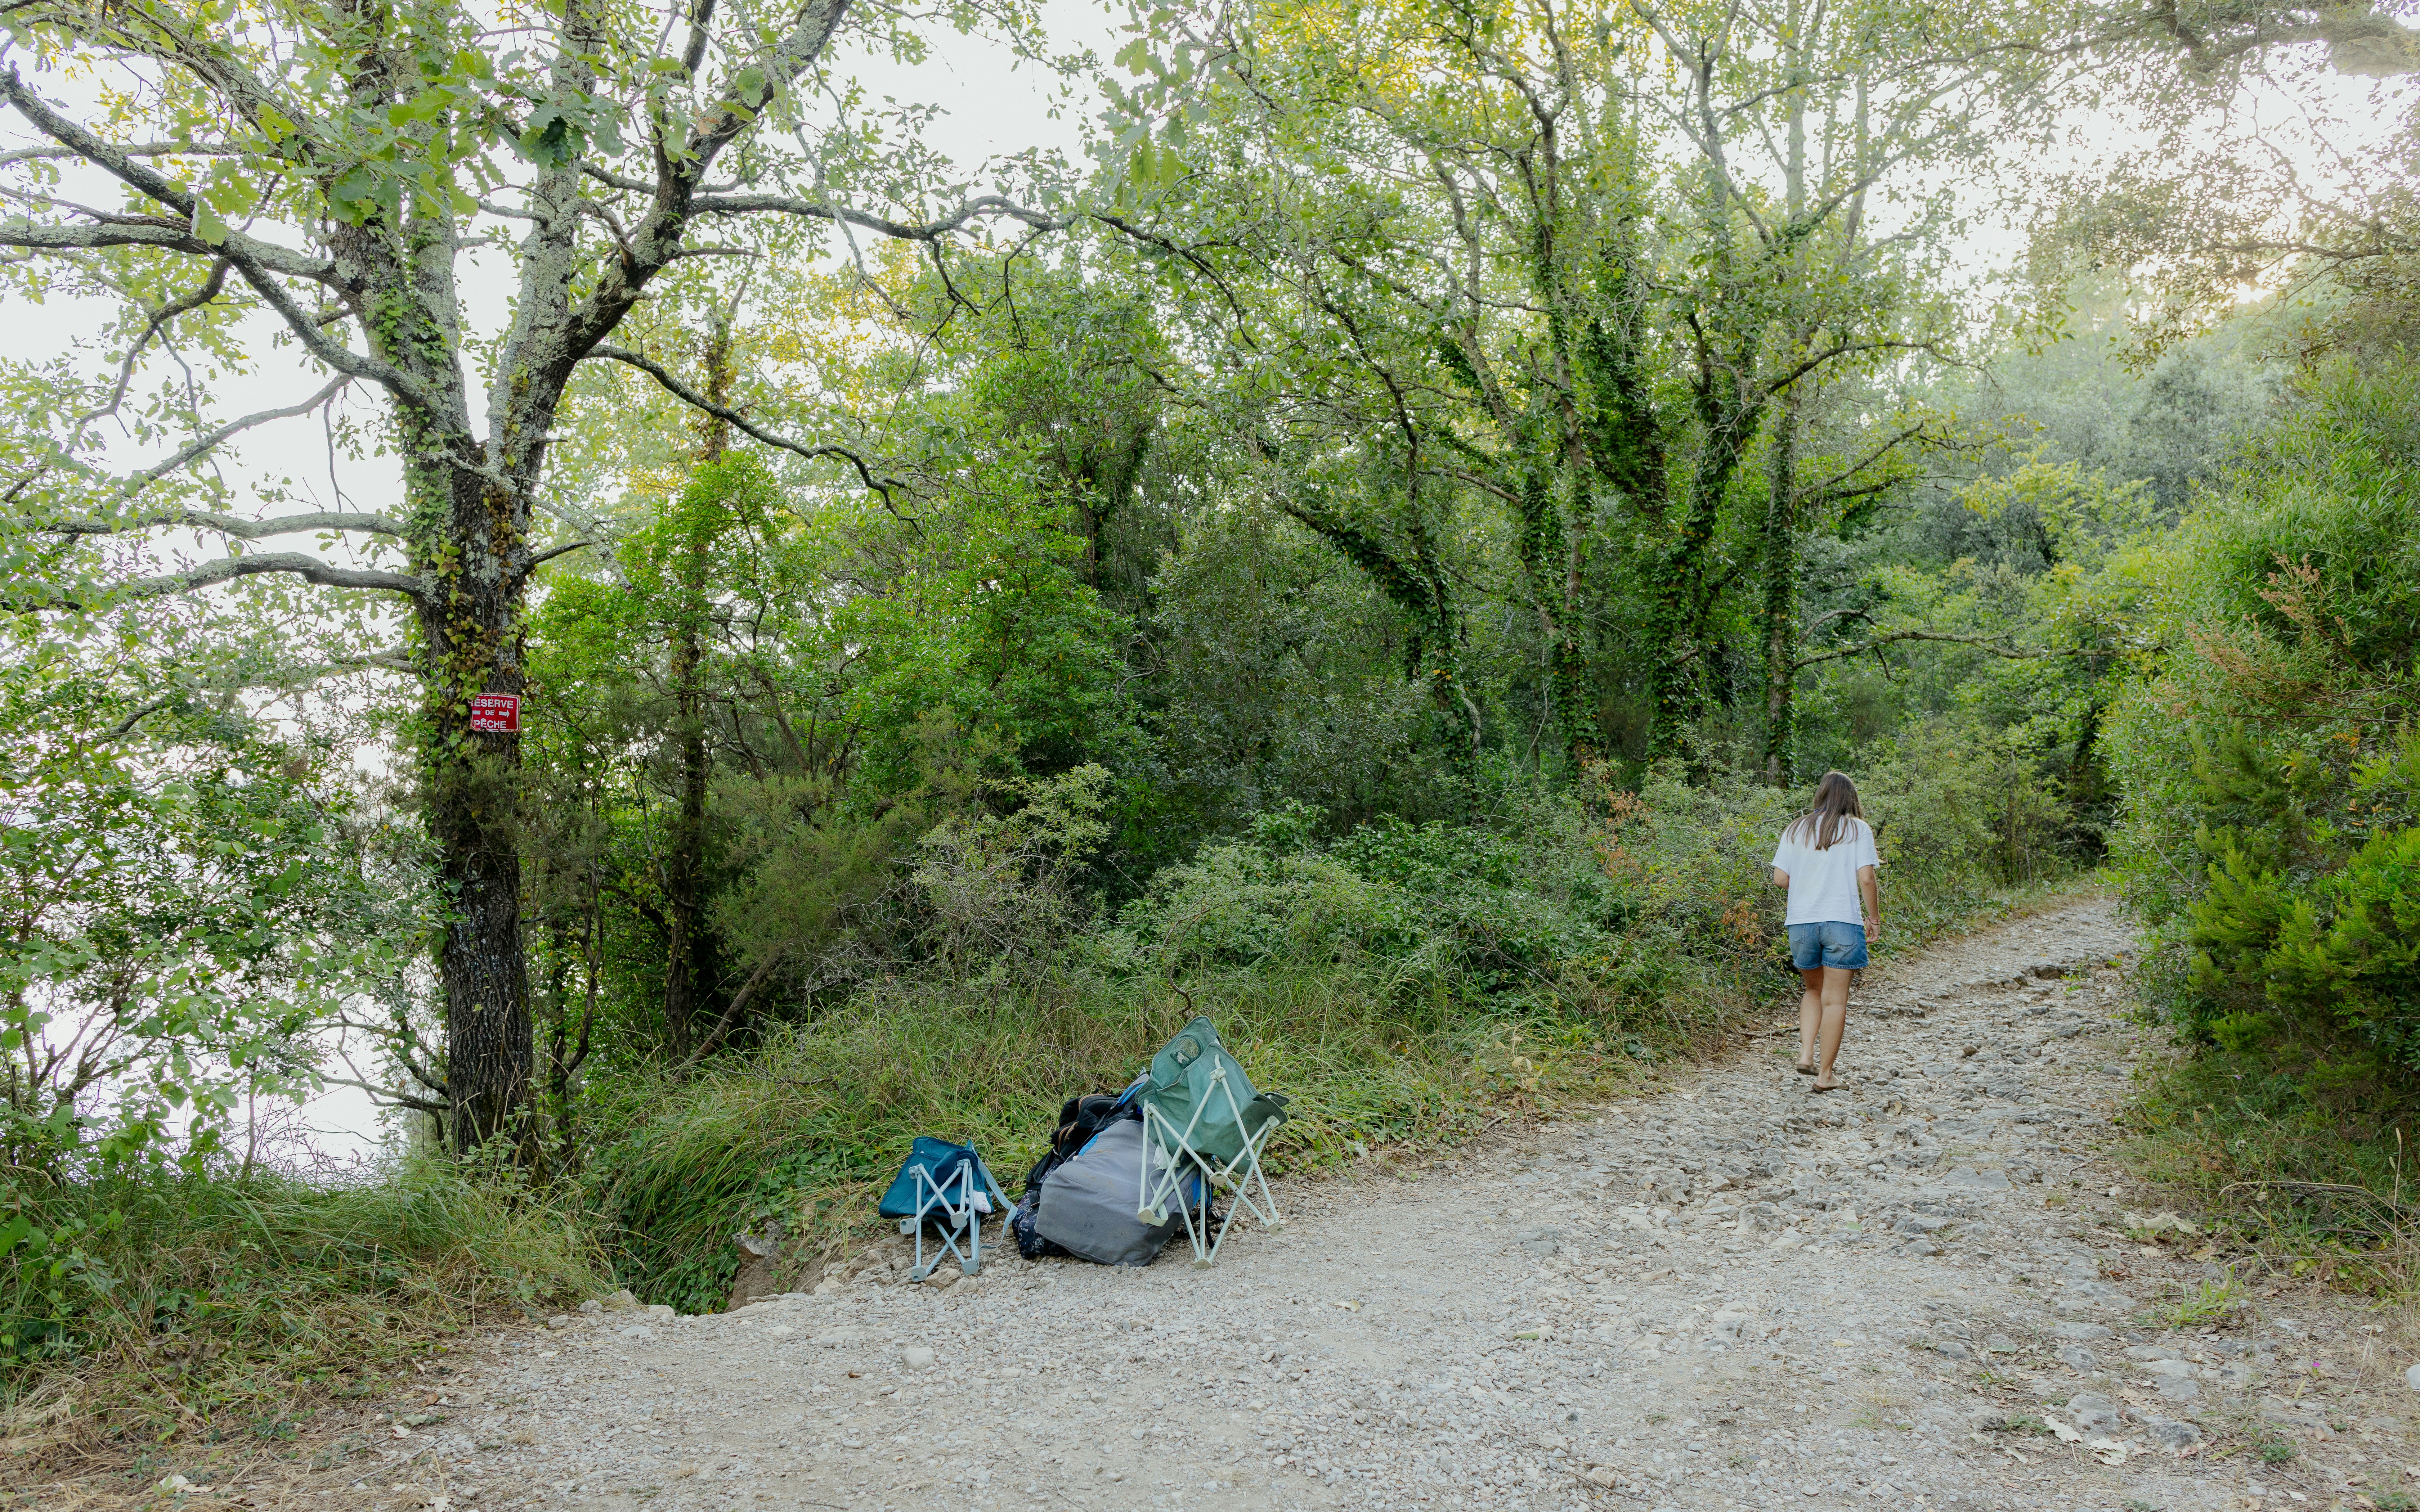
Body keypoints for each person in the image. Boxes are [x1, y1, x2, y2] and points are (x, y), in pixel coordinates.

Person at [1769, 771, 1881, 1092]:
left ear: (1820, 795)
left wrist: (1809, 882)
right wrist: (1873, 919)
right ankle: (1826, 1076)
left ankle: (1806, 1055)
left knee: (1812, 991)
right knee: (1835, 1001)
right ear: (1851, 798)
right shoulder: (1858, 829)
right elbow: (1867, 879)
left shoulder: (1796, 829)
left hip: (1802, 922)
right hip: (1841, 922)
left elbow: (1781, 879)